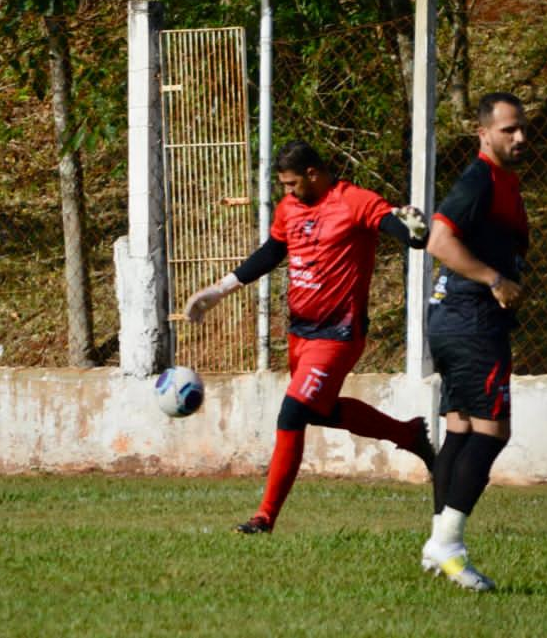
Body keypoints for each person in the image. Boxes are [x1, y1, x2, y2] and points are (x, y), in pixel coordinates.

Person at [183, 139, 435, 534]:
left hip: (338, 334)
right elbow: (271, 252)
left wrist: (414, 230)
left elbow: (399, 230)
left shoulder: (354, 201)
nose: (286, 192)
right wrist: (217, 292)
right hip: (300, 333)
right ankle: (408, 433)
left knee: (293, 412)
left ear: (313, 174)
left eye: (290, 183)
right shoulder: (289, 209)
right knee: (321, 410)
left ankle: (264, 517)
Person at [420, 92, 529, 591]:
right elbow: (439, 241)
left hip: (454, 317)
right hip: (471, 318)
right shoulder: (479, 179)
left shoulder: (503, 180)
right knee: (492, 432)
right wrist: (494, 279)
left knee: (461, 430)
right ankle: (448, 544)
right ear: (483, 133)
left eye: (522, 127)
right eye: (508, 129)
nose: (519, 137)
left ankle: (436, 543)